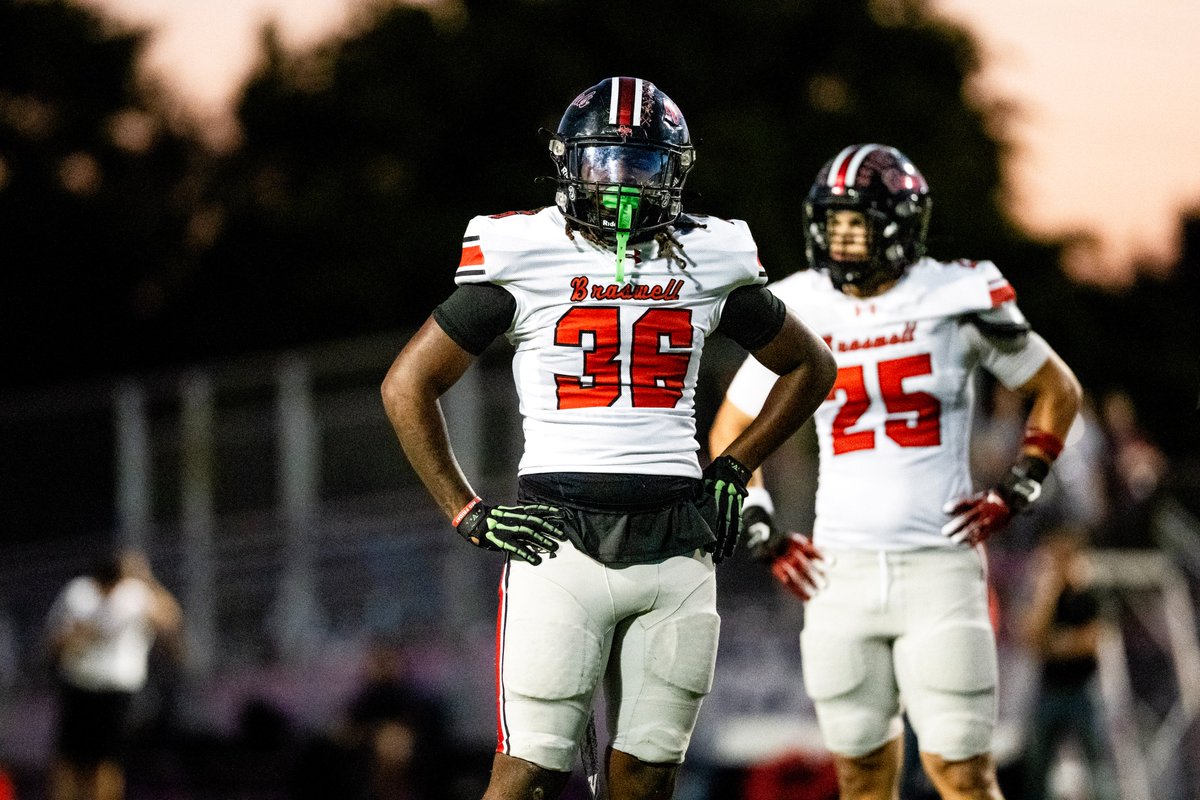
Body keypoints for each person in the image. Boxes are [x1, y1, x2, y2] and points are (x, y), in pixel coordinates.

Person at [381, 76, 836, 800]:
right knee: (527, 778)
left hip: (677, 545)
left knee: (646, 782)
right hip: (558, 543)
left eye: (643, 165)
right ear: (569, 163)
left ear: (674, 173)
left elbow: (811, 366)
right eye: (604, 163)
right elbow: (407, 384)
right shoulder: (524, 251)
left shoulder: (710, 255)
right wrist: (464, 508)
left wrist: (735, 463)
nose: (621, 185)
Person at [709, 143, 1083, 800]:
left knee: (963, 776)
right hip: (839, 573)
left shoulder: (955, 295)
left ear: (900, 224)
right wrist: (762, 527)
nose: (840, 236)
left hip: (939, 570)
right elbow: (731, 429)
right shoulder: (800, 302)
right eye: (832, 220)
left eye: (856, 221)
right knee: (859, 780)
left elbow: (1058, 389)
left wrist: (1019, 486)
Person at [44, 549, 184, 800]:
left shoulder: (134, 593)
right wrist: (82, 635)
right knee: (70, 758)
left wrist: (147, 579)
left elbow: (170, 620)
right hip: (80, 683)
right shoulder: (79, 593)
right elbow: (54, 641)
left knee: (107, 759)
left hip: (116, 689)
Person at [1018, 525, 1112, 800]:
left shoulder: (1087, 597)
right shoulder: (1044, 599)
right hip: (1048, 691)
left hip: (1083, 691)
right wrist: (1047, 595)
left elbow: (1091, 642)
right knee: (1037, 769)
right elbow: (1033, 640)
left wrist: (1054, 644)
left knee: (1098, 768)